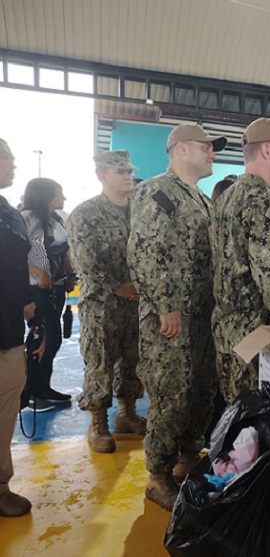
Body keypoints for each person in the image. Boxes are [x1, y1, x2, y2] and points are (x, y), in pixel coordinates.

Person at [128, 123, 226, 510]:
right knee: (171, 395)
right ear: (182, 149)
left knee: (199, 391)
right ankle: (158, 476)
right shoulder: (158, 191)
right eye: (207, 147)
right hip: (173, 317)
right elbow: (146, 251)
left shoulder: (200, 199)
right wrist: (165, 304)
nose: (212, 153)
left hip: (202, 317)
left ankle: (188, 458)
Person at [212, 118, 270, 405]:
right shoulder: (264, 201)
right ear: (266, 150)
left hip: (227, 328)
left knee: (235, 418)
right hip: (257, 335)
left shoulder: (228, 197)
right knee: (256, 424)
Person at [67, 150, 146, 454]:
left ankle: (127, 414)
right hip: (102, 304)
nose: (129, 176)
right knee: (100, 361)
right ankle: (98, 422)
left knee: (133, 360)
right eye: (120, 172)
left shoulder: (139, 211)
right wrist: (117, 287)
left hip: (136, 302)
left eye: (129, 171)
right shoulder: (86, 213)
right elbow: (83, 261)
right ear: (101, 175)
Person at [0, 138, 35, 517]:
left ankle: (0, 487)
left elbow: (15, 269)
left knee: (4, 415)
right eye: (7, 158)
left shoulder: (9, 213)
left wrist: (29, 308)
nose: (13, 165)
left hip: (9, 334)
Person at [21, 177, 75, 411]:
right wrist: (36, 271)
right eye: (58, 193)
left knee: (53, 339)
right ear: (45, 195)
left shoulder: (57, 219)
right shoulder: (27, 219)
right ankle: (32, 391)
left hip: (57, 286)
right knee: (43, 337)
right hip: (37, 287)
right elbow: (13, 254)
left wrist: (70, 274)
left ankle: (44, 385)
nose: (63, 198)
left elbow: (64, 251)